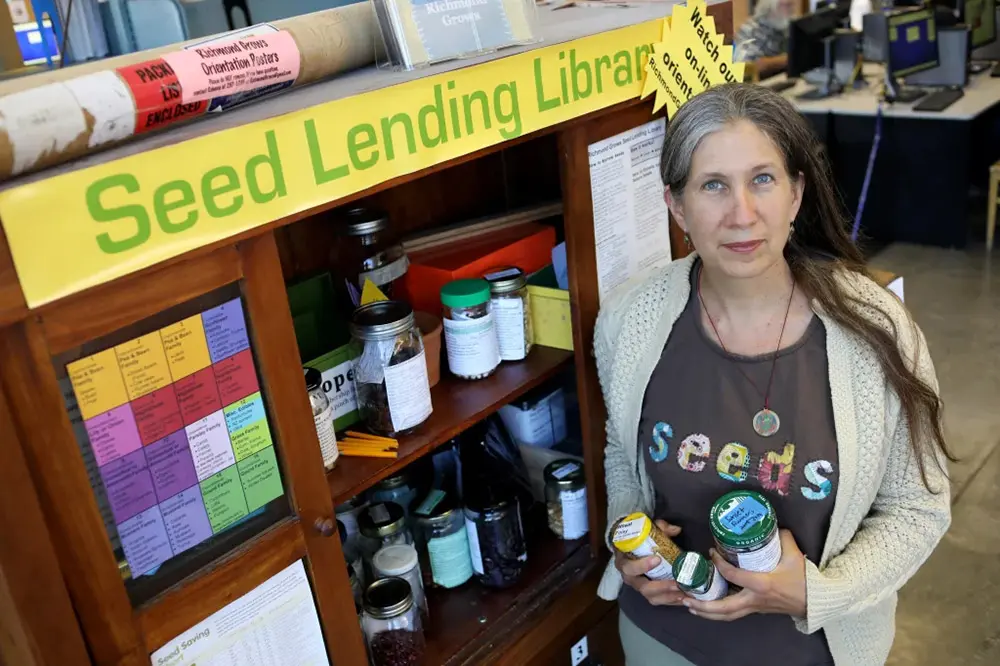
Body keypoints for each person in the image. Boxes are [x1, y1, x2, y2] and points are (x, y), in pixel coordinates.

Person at [594, 83, 952, 666]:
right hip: (662, 640)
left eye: (762, 179)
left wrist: (817, 592)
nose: (742, 214)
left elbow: (918, 510)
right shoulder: (631, 318)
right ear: (677, 206)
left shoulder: (876, 328)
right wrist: (627, 541)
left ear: (796, 194)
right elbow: (620, 448)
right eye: (713, 185)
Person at [735, 0, 798, 78]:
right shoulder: (750, 30)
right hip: (758, 86)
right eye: (786, 6)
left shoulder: (787, 25)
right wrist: (789, 59)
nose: (791, 9)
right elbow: (748, 68)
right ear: (769, 7)